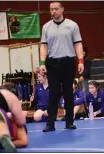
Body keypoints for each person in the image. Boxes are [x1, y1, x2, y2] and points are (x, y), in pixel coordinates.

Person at [39, 1, 84, 132]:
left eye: (56, 9)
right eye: (51, 9)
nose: (53, 11)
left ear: (62, 9)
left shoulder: (72, 25)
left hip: (68, 61)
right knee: (53, 93)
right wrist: (42, 63)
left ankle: (69, 122)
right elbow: (43, 45)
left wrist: (80, 60)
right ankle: (50, 123)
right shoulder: (46, 27)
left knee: (68, 92)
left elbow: (78, 44)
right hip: (52, 63)